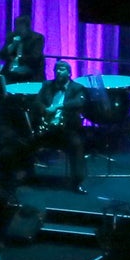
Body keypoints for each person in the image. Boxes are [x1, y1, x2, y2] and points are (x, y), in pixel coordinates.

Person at [30, 61, 88, 193]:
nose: (58, 72)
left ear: (69, 72)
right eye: (56, 69)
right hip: (47, 128)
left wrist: (58, 106)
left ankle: (77, 182)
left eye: (62, 69)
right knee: (26, 142)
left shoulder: (77, 87)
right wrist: (45, 110)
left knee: (76, 145)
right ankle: (28, 175)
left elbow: (79, 102)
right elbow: (37, 102)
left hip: (66, 130)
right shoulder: (47, 85)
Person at [0, 14, 46, 84]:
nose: (17, 29)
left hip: (30, 74)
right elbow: (2, 55)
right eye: (16, 26)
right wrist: (13, 45)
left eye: (20, 26)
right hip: (11, 74)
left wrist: (18, 60)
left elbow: (35, 57)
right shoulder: (11, 36)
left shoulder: (37, 38)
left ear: (26, 27)